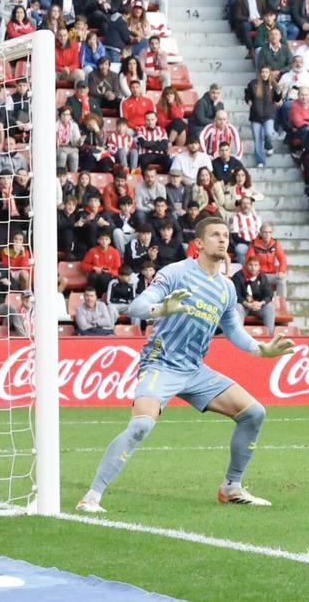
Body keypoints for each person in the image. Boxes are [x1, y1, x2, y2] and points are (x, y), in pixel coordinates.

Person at [75, 218, 295, 513]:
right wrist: (159, 309)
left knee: (254, 413)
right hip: (161, 363)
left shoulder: (227, 288)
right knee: (140, 425)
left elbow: (233, 330)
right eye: (215, 235)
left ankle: (232, 487)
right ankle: (91, 497)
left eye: (225, 235)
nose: (222, 240)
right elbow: (136, 306)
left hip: (194, 369)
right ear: (199, 244)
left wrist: (259, 349)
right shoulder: (177, 272)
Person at [232, 256, 276, 334]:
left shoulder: (262, 277)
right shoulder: (238, 276)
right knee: (237, 306)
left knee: (270, 307)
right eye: (250, 265)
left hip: (258, 306)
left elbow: (269, 294)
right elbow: (236, 295)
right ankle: (239, 335)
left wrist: (261, 303)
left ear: (259, 267)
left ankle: (269, 336)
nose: (253, 268)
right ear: (246, 265)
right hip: (244, 306)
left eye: (256, 265)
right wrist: (248, 304)